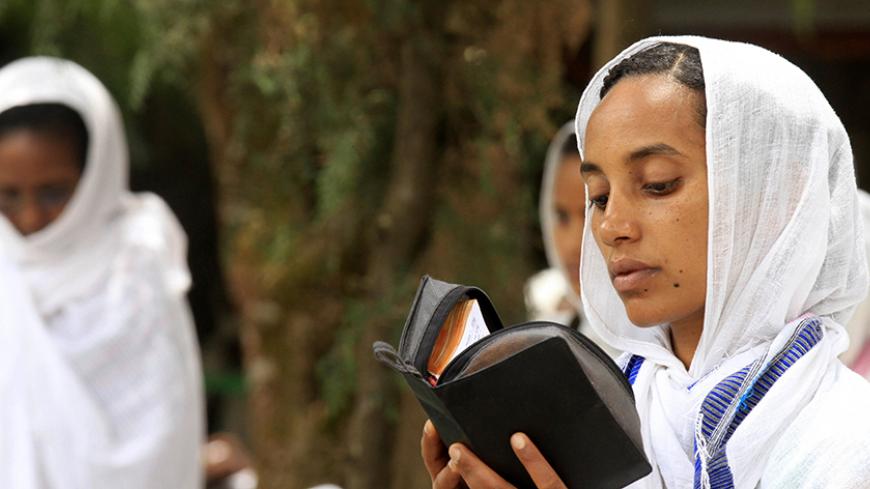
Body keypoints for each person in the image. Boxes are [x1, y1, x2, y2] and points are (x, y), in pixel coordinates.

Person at [422, 36, 870, 488]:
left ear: (778, 197)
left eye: (657, 184)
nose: (610, 225)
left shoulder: (847, 441)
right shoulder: (592, 427)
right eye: (599, 196)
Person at [0, 57, 204, 487]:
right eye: (8, 194)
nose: (31, 217)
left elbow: (158, 434)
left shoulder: (135, 264)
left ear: (97, 174)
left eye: (54, 192)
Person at [525, 121, 618, 358]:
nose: (573, 244)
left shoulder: (671, 351)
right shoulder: (547, 337)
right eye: (561, 216)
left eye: (597, 206)